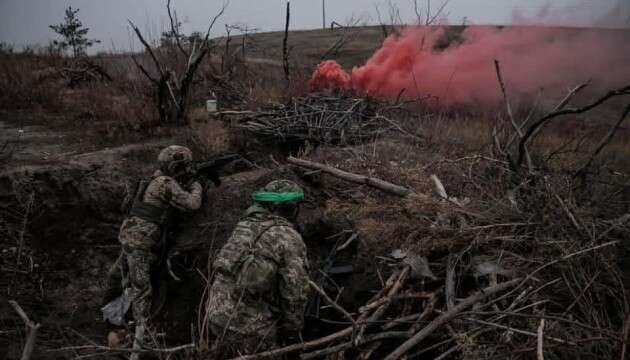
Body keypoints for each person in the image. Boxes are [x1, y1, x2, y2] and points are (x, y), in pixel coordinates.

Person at [105, 145, 203, 356]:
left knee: (115, 279)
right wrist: (196, 186)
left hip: (130, 240)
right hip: (140, 245)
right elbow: (193, 204)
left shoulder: (154, 178)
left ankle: (111, 320)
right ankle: (138, 344)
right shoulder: (165, 183)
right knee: (142, 292)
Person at [206, 179, 310, 354]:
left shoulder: (244, 226)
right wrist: (292, 331)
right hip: (250, 328)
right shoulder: (287, 237)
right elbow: (295, 293)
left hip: (216, 316)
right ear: (291, 208)